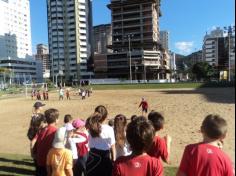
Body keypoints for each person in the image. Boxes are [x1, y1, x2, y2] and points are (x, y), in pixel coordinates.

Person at [86, 105, 116, 176]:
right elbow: (113, 146)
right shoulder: (109, 129)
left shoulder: (90, 127)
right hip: (105, 159)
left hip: (92, 157)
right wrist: (113, 160)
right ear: (105, 117)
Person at [32, 108, 59, 176]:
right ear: (56, 120)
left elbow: (32, 142)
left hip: (39, 160)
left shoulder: (41, 129)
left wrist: (33, 154)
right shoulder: (56, 131)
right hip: (50, 162)